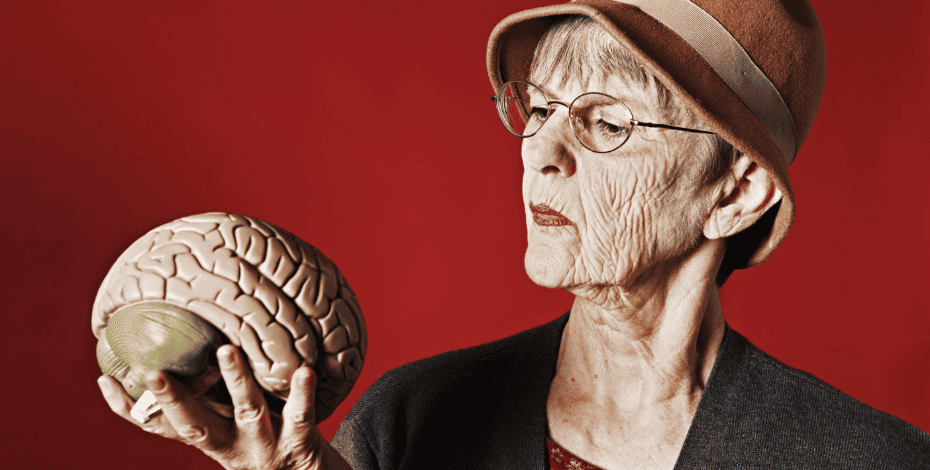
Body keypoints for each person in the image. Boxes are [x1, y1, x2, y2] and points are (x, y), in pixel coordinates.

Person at [97, 0, 930, 468]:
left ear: (738, 189)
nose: (540, 152)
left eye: (605, 122)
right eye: (535, 109)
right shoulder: (408, 420)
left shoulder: (868, 460)